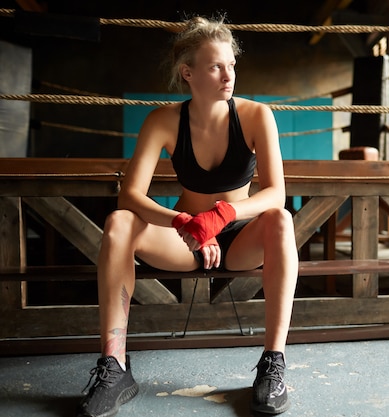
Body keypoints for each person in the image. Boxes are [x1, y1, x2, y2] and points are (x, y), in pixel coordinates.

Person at [77, 15, 298, 417]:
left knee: (281, 220)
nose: (228, 75)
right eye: (215, 66)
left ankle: (273, 365)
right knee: (118, 222)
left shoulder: (255, 116)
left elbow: (276, 192)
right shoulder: (163, 120)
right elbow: (130, 193)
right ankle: (115, 367)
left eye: (231, 64)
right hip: (187, 241)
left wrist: (223, 214)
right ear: (188, 72)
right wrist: (183, 222)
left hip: (241, 239)